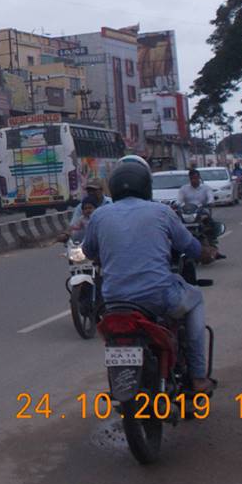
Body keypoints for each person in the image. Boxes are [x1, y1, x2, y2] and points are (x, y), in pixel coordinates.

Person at [82, 159, 218, 394]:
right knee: (195, 298)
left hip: (114, 302)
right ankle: (198, 376)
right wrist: (206, 253)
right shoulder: (161, 212)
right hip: (158, 298)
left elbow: (88, 251)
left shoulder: (99, 216)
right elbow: (190, 246)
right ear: (146, 186)